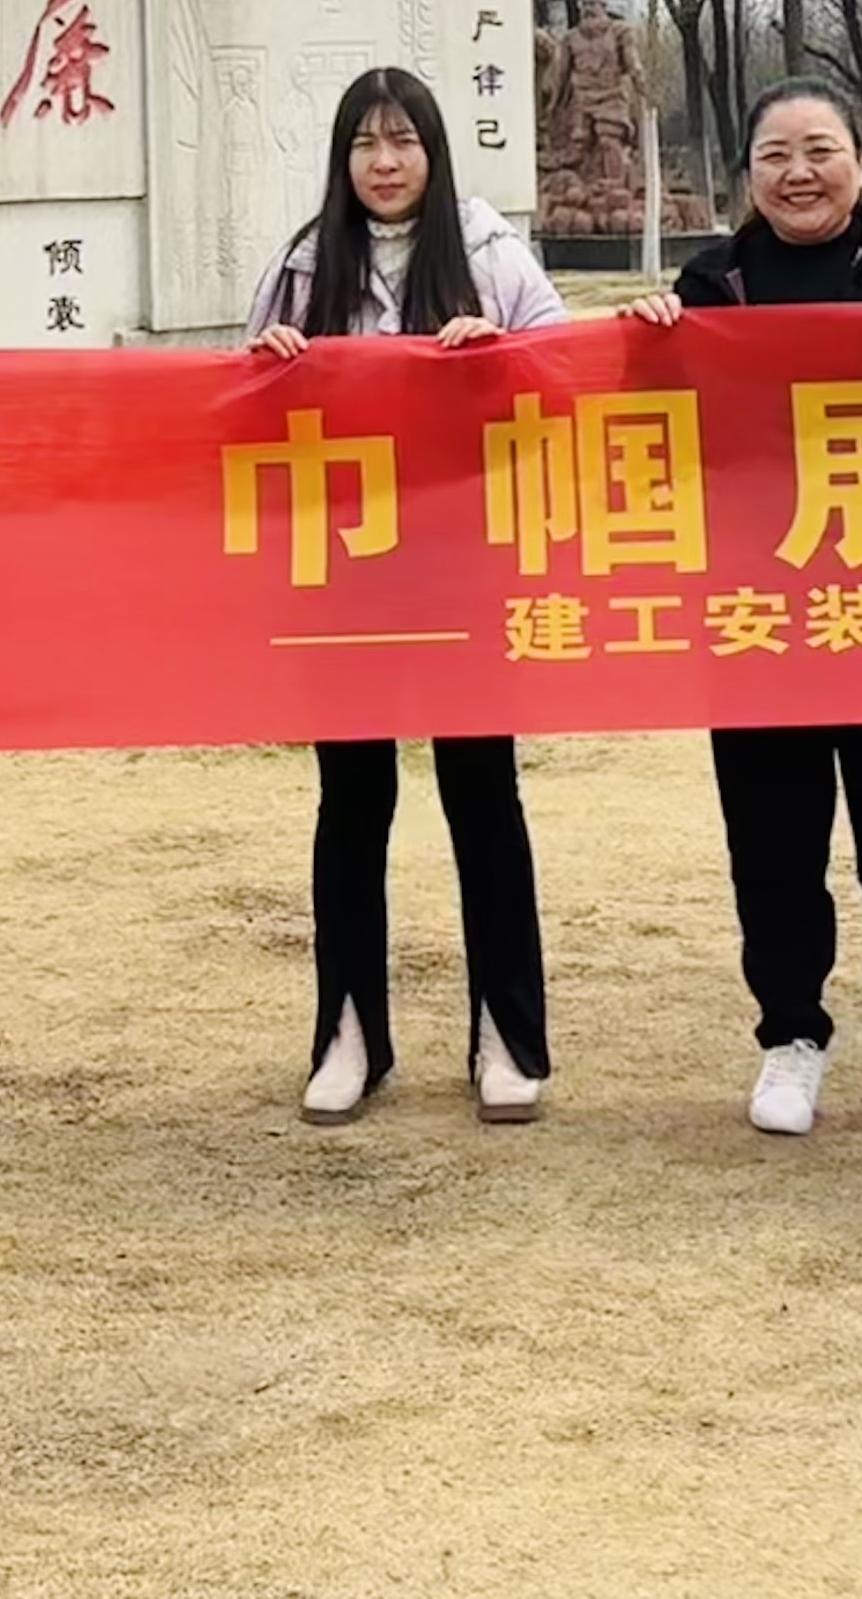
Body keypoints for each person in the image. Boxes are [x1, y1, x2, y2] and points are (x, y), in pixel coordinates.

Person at [626, 78, 862, 1140]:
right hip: (759, 614)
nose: (799, 173)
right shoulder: (711, 282)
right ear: (749, 174)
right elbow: (658, 434)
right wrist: (646, 344)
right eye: (775, 155)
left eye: (821, 149)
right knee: (773, 843)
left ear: (861, 161)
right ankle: (790, 1035)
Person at [244, 65, 569, 1129]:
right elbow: (243, 414)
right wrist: (268, 366)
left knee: (484, 801)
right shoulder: (304, 265)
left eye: (404, 141)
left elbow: (569, 373)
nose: (384, 164)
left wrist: (504, 358)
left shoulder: (488, 254)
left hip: (466, 571)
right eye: (364, 144)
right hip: (346, 581)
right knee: (352, 806)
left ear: (435, 151)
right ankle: (349, 1035)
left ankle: (506, 1036)